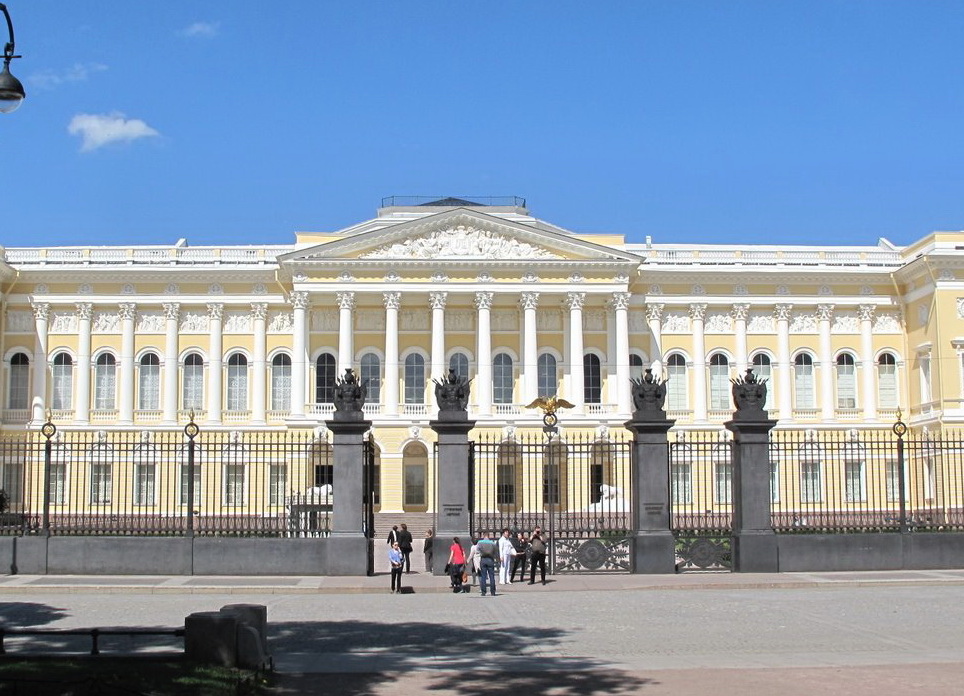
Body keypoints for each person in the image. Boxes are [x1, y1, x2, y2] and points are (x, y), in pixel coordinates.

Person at [476, 531, 498, 597]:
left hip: (483, 559)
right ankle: (493, 592)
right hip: (490, 560)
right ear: (489, 536)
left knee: (483, 576)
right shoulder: (492, 543)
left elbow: (477, 551)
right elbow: (495, 552)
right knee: (491, 576)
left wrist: (481, 553)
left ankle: (483, 592)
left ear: (483, 536)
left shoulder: (480, 543)